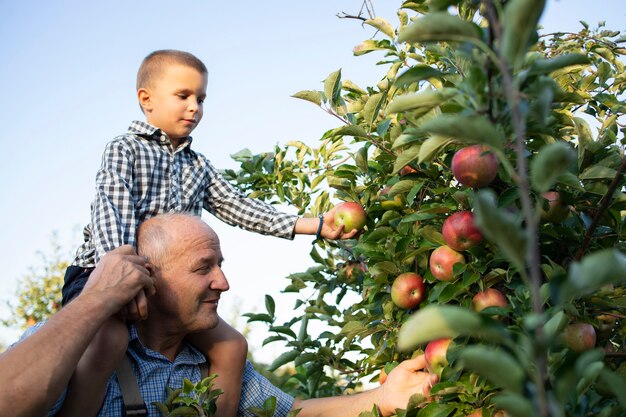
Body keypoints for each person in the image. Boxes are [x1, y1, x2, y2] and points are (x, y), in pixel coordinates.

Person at [60, 50, 360, 417]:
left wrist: (314, 225)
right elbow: (112, 211)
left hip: (168, 286)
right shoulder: (125, 149)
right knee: (108, 338)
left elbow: (238, 207)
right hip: (105, 271)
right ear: (146, 99)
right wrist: (121, 279)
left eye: (200, 99)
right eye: (183, 96)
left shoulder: (198, 165)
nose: (194, 107)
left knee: (231, 346)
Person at [44, 213, 437, 417]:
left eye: (220, 265)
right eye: (203, 268)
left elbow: (287, 413)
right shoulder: (76, 354)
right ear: (147, 278)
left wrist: (383, 397)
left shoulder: (206, 361)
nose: (223, 282)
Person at [0, 246, 155, 417]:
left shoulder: (189, 354)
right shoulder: (82, 341)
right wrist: (98, 296)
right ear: (145, 275)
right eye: (191, 269)